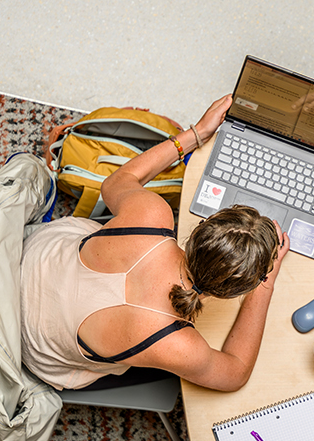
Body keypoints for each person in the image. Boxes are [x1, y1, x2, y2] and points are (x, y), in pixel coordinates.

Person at [20, 94, 290, 393]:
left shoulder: (151, 214)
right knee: (166, 378)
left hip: (25, 262)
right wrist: (266, 283)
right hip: (29, 345)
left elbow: (117, 181)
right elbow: (235, 374)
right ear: (235, 291)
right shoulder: (177, 345)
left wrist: (196, 133)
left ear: (200, 228)